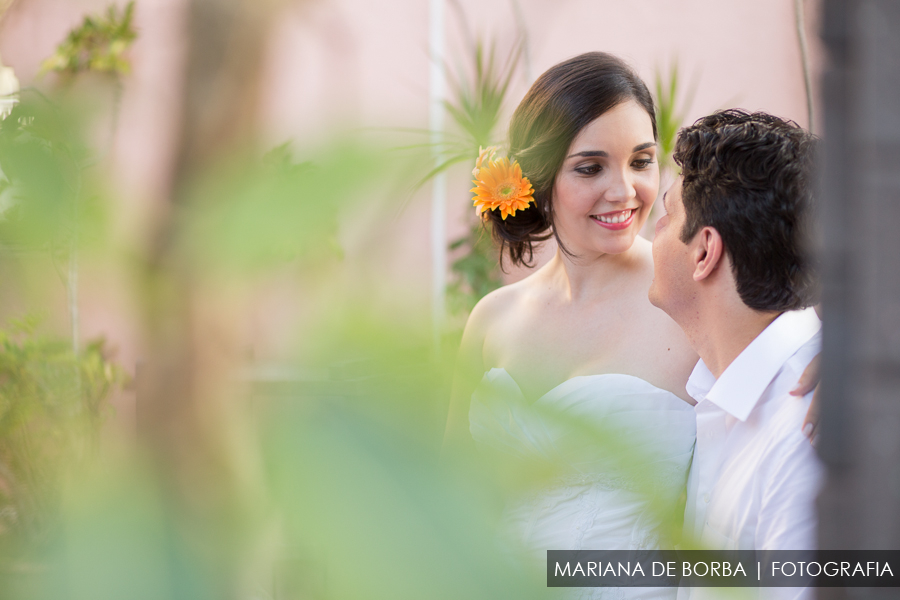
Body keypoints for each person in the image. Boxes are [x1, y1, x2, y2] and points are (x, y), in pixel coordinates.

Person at [447, 52, 698, 598]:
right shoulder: (492, 319)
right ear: (540, 177)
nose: (623, 190)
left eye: (641, 161)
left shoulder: (690, 299)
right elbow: (450, 502)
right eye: (591, 167)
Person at [648, 110, 822, 598]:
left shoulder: (804, 433)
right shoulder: (716, 397)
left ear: (705, 251)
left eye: (667, 214)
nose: (652, 232)